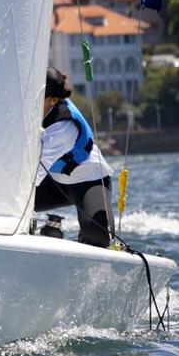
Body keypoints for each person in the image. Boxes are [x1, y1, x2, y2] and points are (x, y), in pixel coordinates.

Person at [35, 67, 115, 248]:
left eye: (39, 98)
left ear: (53, 100)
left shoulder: (62, 127)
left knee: (99, 238)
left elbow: (34, 175)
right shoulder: (32, 111)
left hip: (88, 181)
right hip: (55, 180)